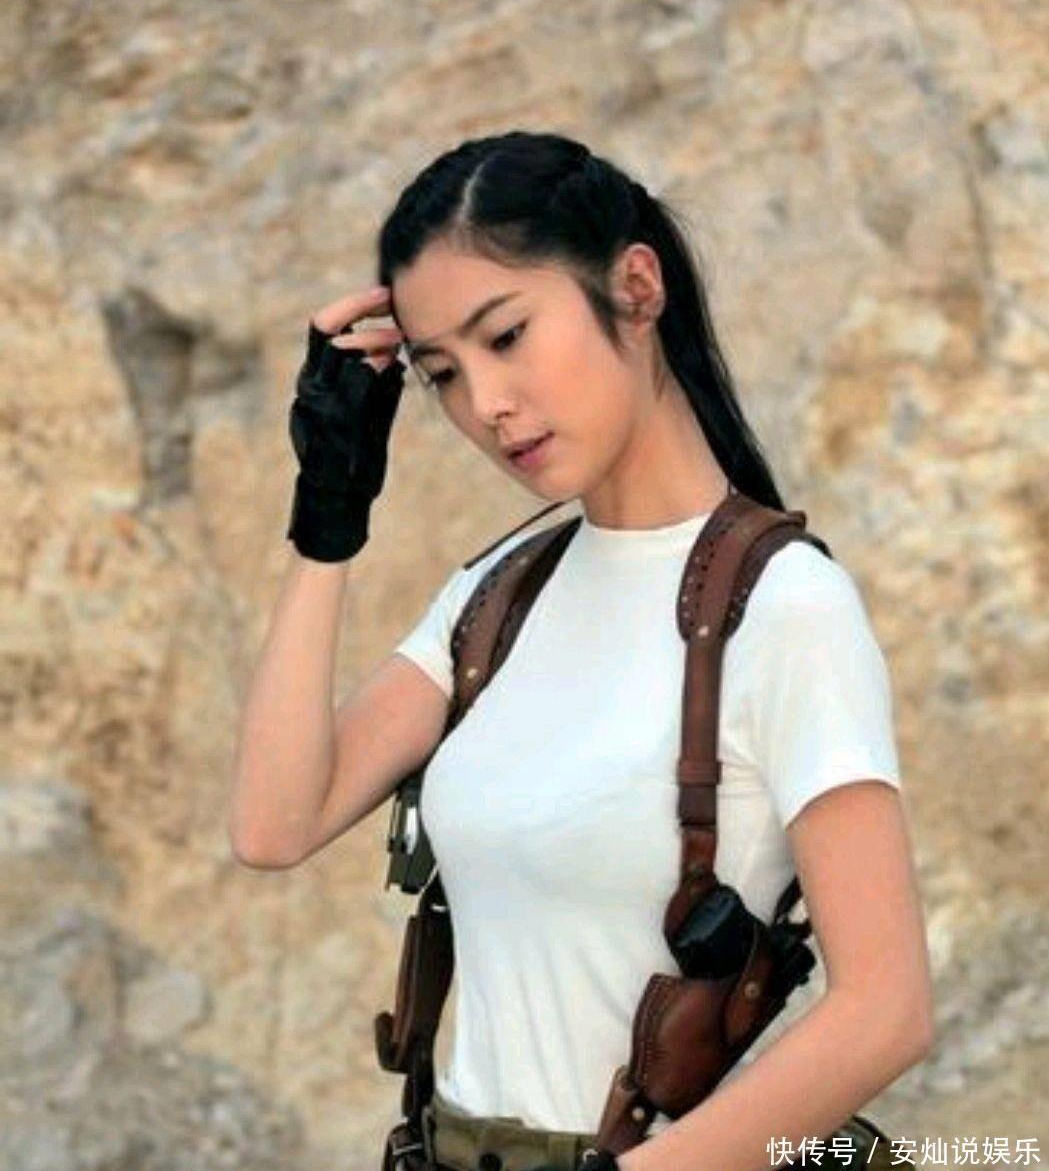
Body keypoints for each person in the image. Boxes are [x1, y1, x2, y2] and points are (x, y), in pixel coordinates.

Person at [228, 131, 934, 1171]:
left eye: (506, 335)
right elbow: (273, 823)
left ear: (635, 288)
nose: (485, 404)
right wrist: (325, 521)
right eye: (441, 373)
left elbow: (885, 1010)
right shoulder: (496, 599)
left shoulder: (784, 607)